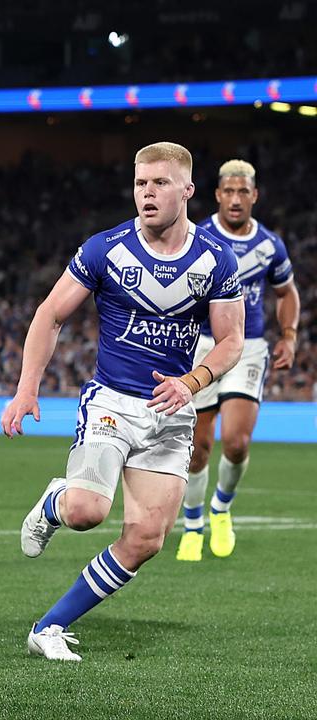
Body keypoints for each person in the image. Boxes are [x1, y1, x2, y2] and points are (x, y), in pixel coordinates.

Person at [2, 142, 245, 662]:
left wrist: (194, 380)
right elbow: (50, 315)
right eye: (140, 183)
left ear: (188, 190)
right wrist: (27, 387)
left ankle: (49, 626)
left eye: (159, 183)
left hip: (172, 412)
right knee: (88, 512)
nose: (147, 193)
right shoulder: (104, 249)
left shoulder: (218, 260)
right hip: (112, 402)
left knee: (146, 539)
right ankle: (55, 503)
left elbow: (231, 342)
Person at [175, 160, 301, 561]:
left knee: (237, 441)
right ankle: (193, 522)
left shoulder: (269, 245)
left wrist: (290, 335)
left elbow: (287, 293)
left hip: (248, 346)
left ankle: (221, 509)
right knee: (199, 446)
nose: (234, 199)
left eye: (242, 192)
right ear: (216, 195)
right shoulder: (198, 237)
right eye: (228, 191)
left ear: (254, 196)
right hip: (202, 345)